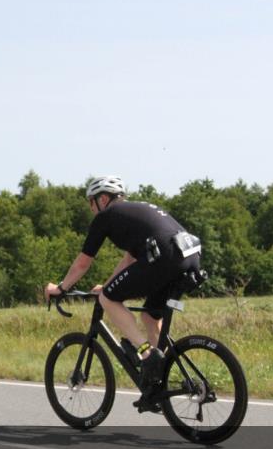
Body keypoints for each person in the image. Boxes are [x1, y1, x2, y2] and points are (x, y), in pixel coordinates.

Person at [44, 175, 202, 412]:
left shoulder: (106, 217)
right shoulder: (135, 212)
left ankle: (147, 354)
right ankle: (156, 384)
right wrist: (108, 284)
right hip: (190, 260)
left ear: (103, 198)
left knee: (109, 299)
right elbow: (130, 258)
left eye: (91, 202)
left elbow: (82, 264)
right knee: (150, 316)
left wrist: (61, 288)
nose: (91, 208)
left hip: (165, 259)